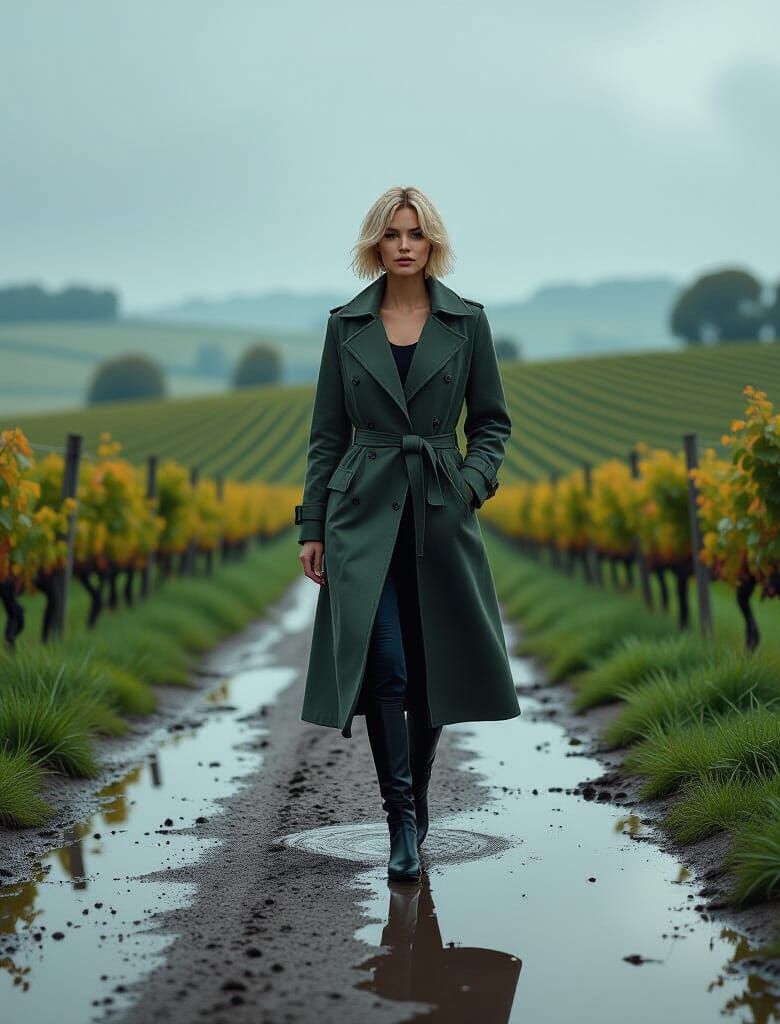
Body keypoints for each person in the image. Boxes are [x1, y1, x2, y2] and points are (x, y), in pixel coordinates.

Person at [295, 185, 520, 883]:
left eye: (414, 234)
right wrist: (313, 526)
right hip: (360, 513)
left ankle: (418, 803)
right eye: (391, 234)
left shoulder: (468, 323)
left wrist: (472, 481)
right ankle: (399, 821)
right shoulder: (343, 327)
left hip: (439, 511)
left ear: (431, 245)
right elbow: (326, 434)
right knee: (385, 667)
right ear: (376, 244)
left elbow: (491, 423)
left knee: (429, 672)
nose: (402, 244)